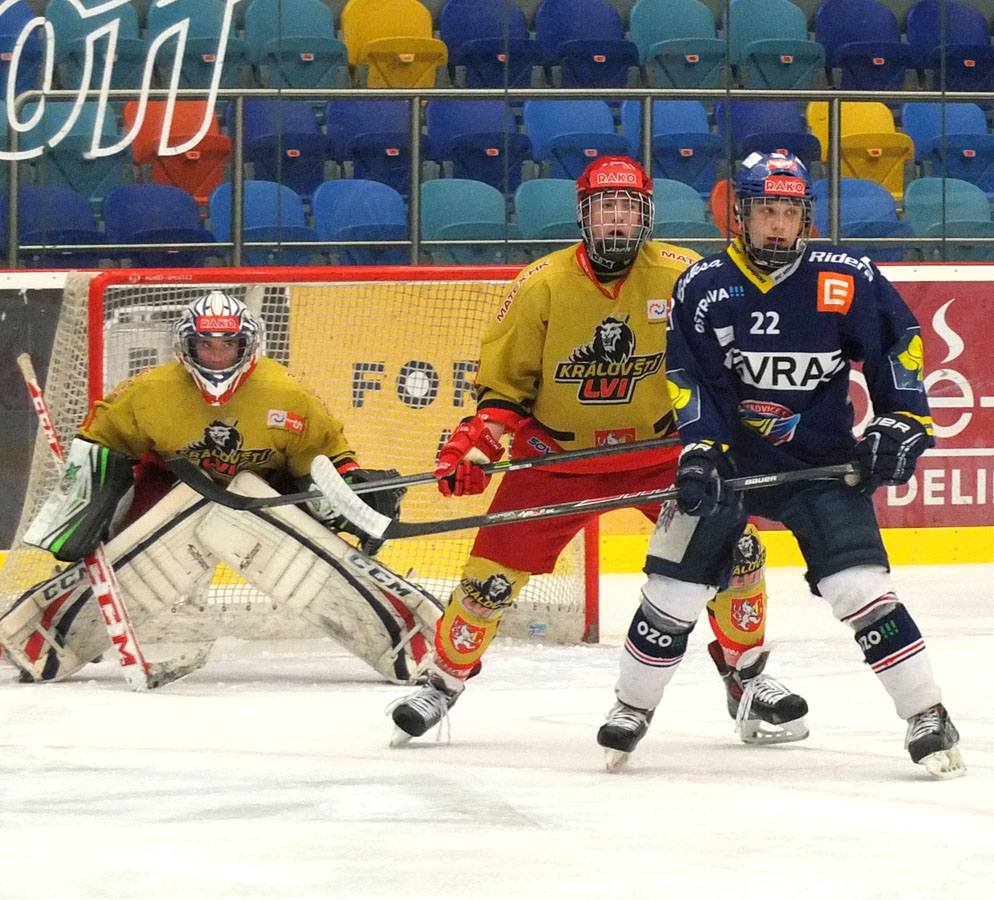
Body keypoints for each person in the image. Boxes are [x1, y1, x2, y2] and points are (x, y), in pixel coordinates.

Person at [387, 156, 808, 746]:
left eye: (627, 207)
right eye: (605, 207)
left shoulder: (684, 275)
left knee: (738, 553)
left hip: (665, 456)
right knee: (489, 582)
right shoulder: (541, 284)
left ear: (646, 215)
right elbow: (504, 388)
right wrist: (478, 442)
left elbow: (723, 364)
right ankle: (443, 681)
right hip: (557, 460)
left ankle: (747, 678)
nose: (616, 218)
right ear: (584, 215)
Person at [595, 151, 965, 778]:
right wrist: (700, 449)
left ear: (805, 217)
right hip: (730, 466)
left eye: (789, 211)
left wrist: (904, 420)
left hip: (819, 467)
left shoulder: (845, 277)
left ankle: (927, 714)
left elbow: (898, 344)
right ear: (740, 214)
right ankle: (632, 705)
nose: (777, 224)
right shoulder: (704, 285)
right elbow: (690, 378)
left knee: (860, 589)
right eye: (766, 209)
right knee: (672, 591)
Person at [4, 291, 427, 683]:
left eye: (228, 344)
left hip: (265, 493)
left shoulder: (287, 393)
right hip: (174, 486)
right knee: (123, 546)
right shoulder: (149, 391)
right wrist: (88, 506)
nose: (217, 355)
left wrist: (347, 497)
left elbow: (325, 458)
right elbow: (101, 444)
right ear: (186, 347)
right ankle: (53, 626)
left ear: (247, 346)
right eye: (206, 345)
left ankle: (399, 626)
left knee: (322, 544)